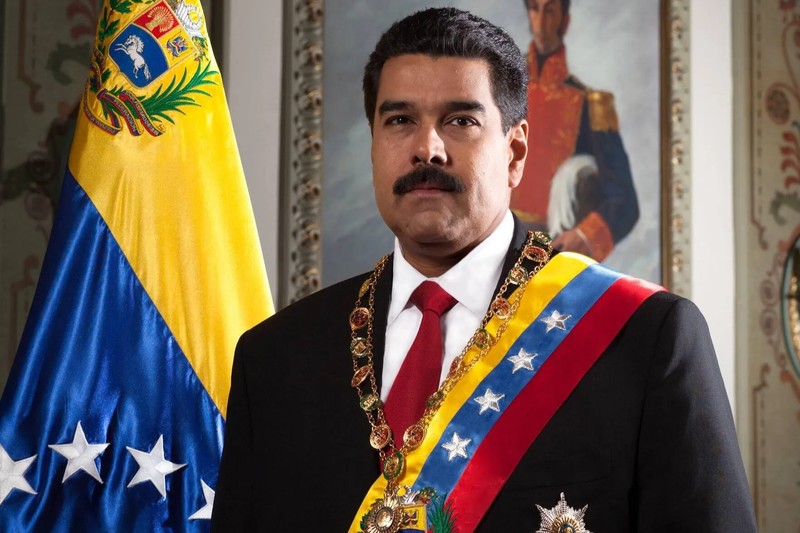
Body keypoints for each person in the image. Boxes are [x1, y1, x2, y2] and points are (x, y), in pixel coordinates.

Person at [212, 7, 756, 532]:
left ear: (515, 152)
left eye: (460, 121)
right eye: (400, 120)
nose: (428, 148)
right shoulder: (274, 359)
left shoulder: (648, 339)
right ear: (375, 146)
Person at [511, 0, 640, 261]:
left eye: (550, 10)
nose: (541, 20)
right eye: (535, 9)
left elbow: (624, 202)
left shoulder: (589, 105)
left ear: (565, 20)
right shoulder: (501, 92)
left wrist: (582, 236)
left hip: (551, 256)